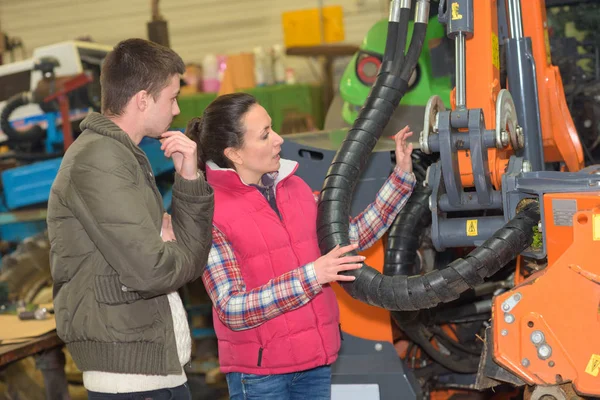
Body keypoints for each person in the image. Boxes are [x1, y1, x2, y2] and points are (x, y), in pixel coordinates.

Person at [187, 92, 416, 400]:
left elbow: (349, 238)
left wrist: (401, 178)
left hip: (314, 363)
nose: (279, 139)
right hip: (260, 375)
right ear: (235, 154)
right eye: (265, 135)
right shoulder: (212, 211)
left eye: (273, 128)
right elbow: (231, 308)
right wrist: (312, 276)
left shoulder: (294, 187)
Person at [47, 38, 214, 399]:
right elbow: (153, 271)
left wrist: (188, 180)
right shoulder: (100, 160)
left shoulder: (123, 156)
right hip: (130, 380)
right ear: (142, 99)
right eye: (171, 97)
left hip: (152, 370)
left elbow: (182, 258)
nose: (176, 109)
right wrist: (175, 247)